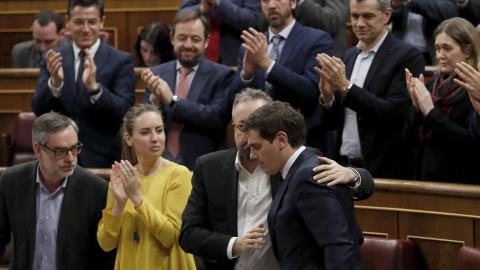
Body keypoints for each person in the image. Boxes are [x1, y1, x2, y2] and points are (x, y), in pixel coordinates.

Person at [180, 88, 374, 270]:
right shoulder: (208, 166)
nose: (248, 140)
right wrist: (235, 244)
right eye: (241, 126)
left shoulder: (300, 165)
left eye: (255, 126)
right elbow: (188, 234)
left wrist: (353, 175)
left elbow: (338, 242)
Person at [242, 101, 364, 269]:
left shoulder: (307, 175)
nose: (253, 155)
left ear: (281, 140)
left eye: (257, 147)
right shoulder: (300, 170)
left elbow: (338, 246)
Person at [315, 0, 425, 179]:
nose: (359, 23)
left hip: (385, 168)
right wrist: (328, 99)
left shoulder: (408, 56)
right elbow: (332, 124)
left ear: (386, 15)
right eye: (355, 16)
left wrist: (345, 86)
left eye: (368, 16)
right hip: (342, 163)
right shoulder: (349, 56)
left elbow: (396, 113)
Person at [0, 112, 114, 270]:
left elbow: (104, 257)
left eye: (74, 149)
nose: (71, 159)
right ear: (38, 150)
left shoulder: (96, 190)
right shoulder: (11, 181)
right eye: (61, 151)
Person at [32, 0, 136, 168]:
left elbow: (126, 110)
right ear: (68, 22)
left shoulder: (121, 60)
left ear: (102, 22)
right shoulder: (52, 57)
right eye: (79, 22)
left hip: (104, 156)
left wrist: (95, 90)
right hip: (59, 155)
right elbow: (38, 109)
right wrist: (55, 84)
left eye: (92, 22)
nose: (86, 29)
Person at [227, 0, 335, 157]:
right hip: (258, 148)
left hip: (302, 144)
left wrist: (267, 64)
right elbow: (233, 101)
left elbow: (311, 91)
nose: (271, 5)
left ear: (293, 3)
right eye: (265, 1)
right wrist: (246, 75)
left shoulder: (317, 39)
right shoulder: (251, 46)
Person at [97, 104, 196, 269]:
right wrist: (119, 205)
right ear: (129, 139)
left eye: (159, 130)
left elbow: (170, 236)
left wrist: (137, 198)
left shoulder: (179, 174)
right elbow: (106, 243)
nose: (155, 138)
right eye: (145, 132)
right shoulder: (123, 178)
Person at [141, 10, 235, 170]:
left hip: (203, 166)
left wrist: (172, 100)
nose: (188, 45)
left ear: (206, 41)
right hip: (159, 163)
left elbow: (217, 118)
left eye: (195, 39)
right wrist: (155, 102)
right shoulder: (157, 73)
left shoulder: (222, 75)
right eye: (182, 38)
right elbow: (142, 121)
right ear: (172, 38)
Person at [404, 17, 480, 184]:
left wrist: (430, 113)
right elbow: (409, 141)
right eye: (437, 48)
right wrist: (417, 108)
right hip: (424, 178)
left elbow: (470, 144)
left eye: (447, 48)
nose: (440, 55)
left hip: (460, 181)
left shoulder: (474, 89)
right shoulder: (432, 86)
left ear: (468, 50)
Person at [178, 0, 262, 66]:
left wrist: (219, 2)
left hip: (234, 61)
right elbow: (179, 18)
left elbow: (252, 21)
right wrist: (201, 9)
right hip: (199, 58)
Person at [258, 0, 350, 57]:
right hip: (287, 57)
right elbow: (262, 26)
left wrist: (300, 1)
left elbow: (331, 22)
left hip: (325, 59)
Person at [390, 0, 457, 65]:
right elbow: (385, 18)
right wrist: (395, 5)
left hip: (429, 54)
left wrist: (411, 1)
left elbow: (449, 11)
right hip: (399, 52)